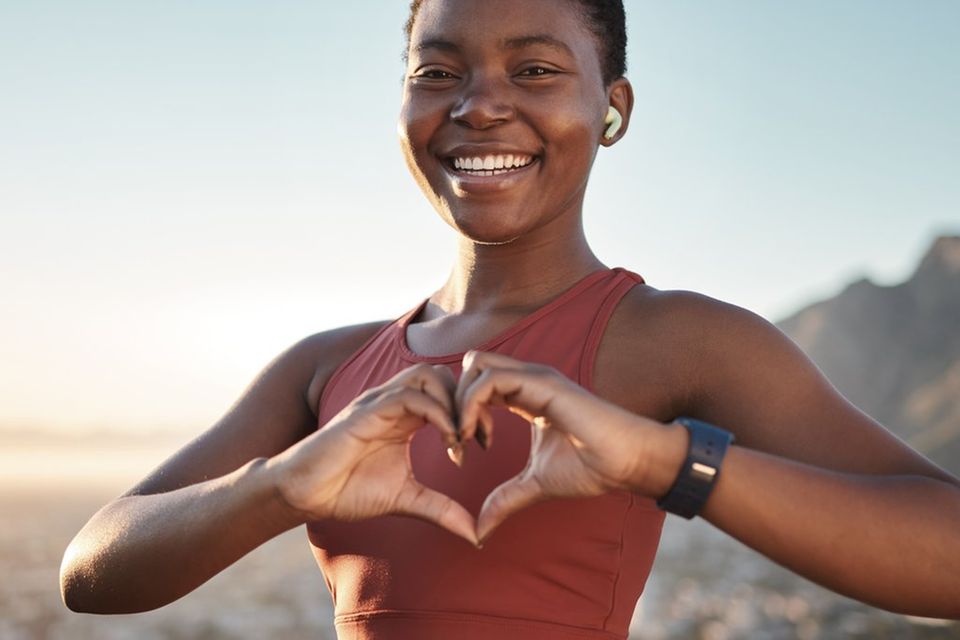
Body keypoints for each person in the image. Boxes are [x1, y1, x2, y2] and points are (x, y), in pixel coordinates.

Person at [61, 1, 960, 638]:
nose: (479, 103)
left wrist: (661, 460)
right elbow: (92, 571)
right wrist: (282, 487)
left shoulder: (680, 340)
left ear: (613, 107)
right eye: (437, 71)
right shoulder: (324, 368)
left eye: (534, 69)